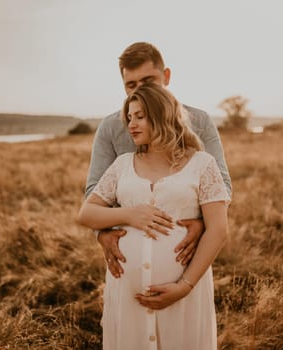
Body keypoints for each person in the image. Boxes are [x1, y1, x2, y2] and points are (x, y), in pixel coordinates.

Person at [78, 83, 230, 349]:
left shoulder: (202, 164)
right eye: (129, 118)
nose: (131, 124)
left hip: (184, 296)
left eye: (139, 116)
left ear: (162, 115)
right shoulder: (122, 164)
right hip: (127, 295)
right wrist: (130, 215)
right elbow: (87, 213)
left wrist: (184, 286)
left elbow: (218, 230)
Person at [85, 42, 231, 279]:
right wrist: (101, 234)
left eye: (148, 81)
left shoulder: (200, 120)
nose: (139, 90)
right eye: (131, 85)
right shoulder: (110, 128)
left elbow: (220, 184)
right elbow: (94, 190)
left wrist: (204, 223)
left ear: (166, 76)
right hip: (128, 264)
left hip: (185, 259)